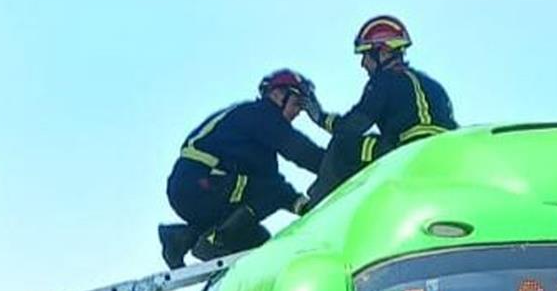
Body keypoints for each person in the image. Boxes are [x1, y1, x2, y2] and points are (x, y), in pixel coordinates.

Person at [158, 69, 324, 268]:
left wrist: (307, 207)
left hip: (196, 190)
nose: (298, 112)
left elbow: (273, 184)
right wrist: (339, 166)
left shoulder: (256, 136)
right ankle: (216, 241)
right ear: (277, 95)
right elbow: (300, 151)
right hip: (199, 184)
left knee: (258, 242)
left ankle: (182, 238)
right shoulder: (262, 114)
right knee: (269, 193)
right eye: (297, 104)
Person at [303, 15, 456, 203]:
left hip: (407, 152)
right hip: (445, 152)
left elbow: (352, 126)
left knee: (342, 146)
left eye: (366, 55)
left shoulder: (383, 80)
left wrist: (319, 117)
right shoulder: (433, 85)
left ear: (383, 52)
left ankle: (319, 210)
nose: (363, 63)